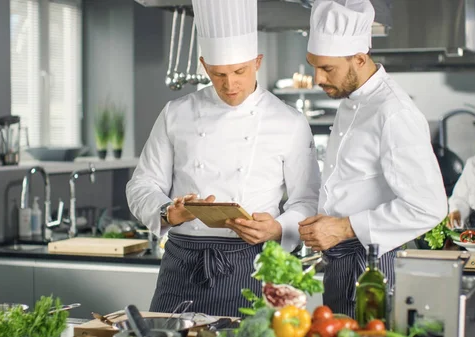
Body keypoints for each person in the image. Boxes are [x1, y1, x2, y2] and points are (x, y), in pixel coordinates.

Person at [125, 0, 320, 317]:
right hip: (181, 263)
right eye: (218, 74)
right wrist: (167, 212)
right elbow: (141, 185)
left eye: (239, 71)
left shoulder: (289, 122)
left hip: (253, 263)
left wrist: (277, 228)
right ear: (204, 65)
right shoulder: (177, 113)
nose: (230, 84)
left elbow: (308, 199)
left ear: (257, 61)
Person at [298, 0, 448, 317]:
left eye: (327, 68)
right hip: (341, 263)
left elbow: (429, 207)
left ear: (359, 58)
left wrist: (344, 228)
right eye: (314, 65)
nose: (317, 79)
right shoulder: (351, 97)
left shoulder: (394, 112)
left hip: (371, 268)